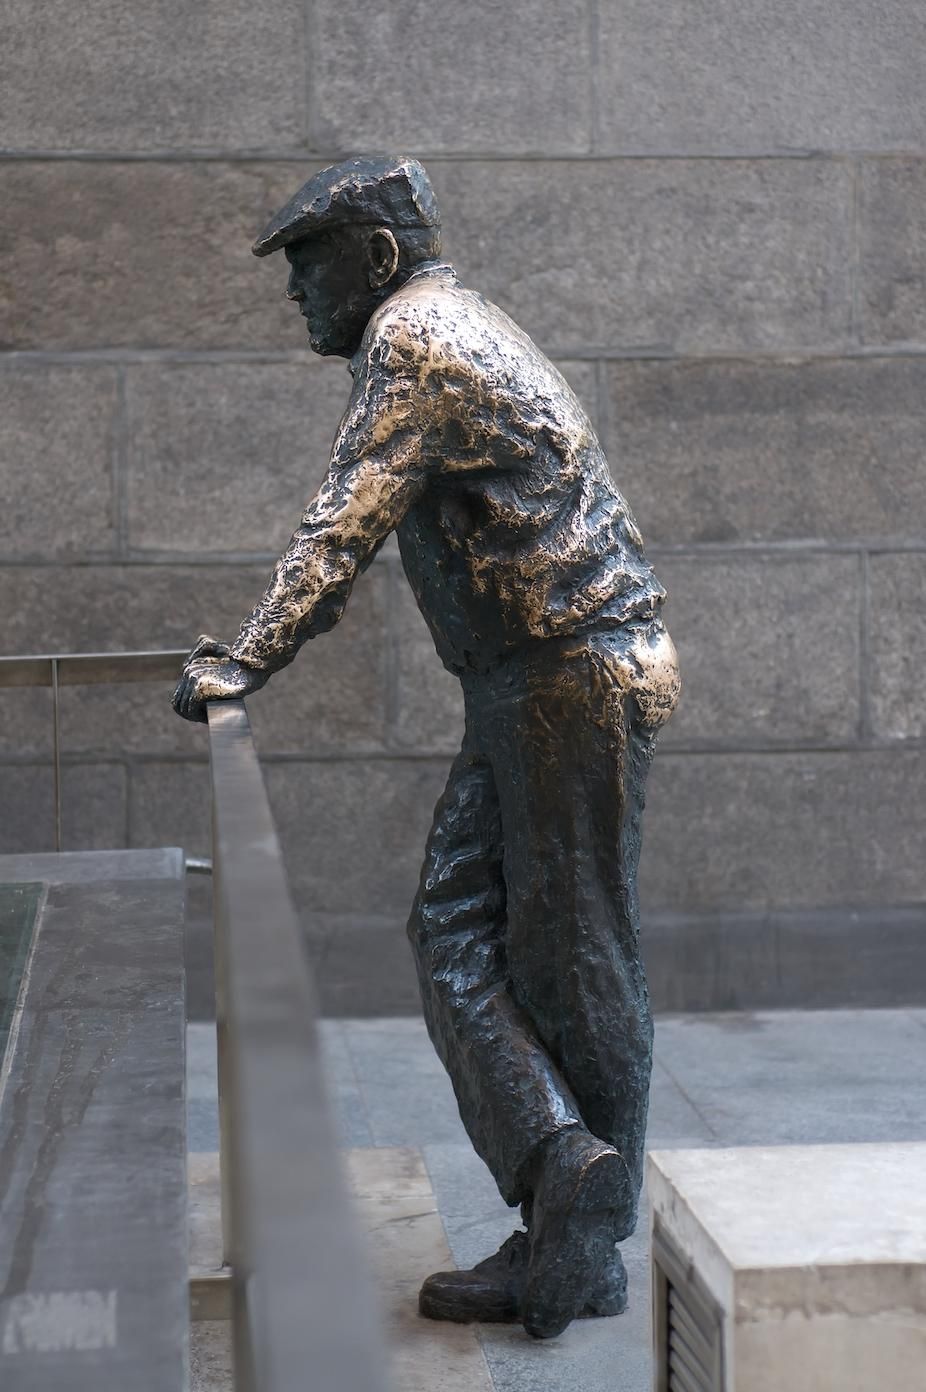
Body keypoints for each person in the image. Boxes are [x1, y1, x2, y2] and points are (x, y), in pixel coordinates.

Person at [172, 155, 680, 1340]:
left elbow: (341, 521)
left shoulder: (419, 340)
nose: (296, 291)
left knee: (576, 951)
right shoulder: (441, 324)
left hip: (569, 670)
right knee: (456, 929)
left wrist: (245, 658)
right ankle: (564, 1173)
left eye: (309, 263)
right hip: (538, 678)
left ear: (377, 259)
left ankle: (579, 1234)